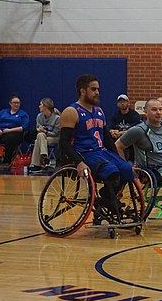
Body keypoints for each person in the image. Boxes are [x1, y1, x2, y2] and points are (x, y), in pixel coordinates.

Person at [59, 74, 137, 216]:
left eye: (98, 89)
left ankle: (107, 197)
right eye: (93, 89)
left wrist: (118, 157)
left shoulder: (99, 111)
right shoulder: (71, 112)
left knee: (126, 168)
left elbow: (107, 139)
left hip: (101, 152)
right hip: (85, 153)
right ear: (83, 91)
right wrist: (79, 162)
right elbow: (63, 142)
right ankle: (109, 199)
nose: (97, 93)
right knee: (111, 171)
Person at [116, 99, 162, 213]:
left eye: (160, 109)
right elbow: (118, 146)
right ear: (145, 112)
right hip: (150, 170)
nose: (158, 112)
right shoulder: (138, 130)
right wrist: (125, 165)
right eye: (154, 110)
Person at [0, 93, 30, 173]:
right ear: (10, 103)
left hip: (14, 132)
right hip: (1, 131)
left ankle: (6, 160)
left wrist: (9, 130)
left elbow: (24, 127)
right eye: (14, 103)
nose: (16, 104)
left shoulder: (23, 114)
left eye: (18, 103)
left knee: (10, 139)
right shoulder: (3, 112)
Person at [28, 97, 61, 172]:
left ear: (46, 106)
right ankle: (44, 157)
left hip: (54, 138)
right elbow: (38, 128)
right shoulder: (39, 116)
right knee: (40, 136)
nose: (39, 106)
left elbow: (56, 133)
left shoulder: (57, 118)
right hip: (43, 137)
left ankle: (36, 164)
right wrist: (40, 130)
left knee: (39, 139)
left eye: (41, 104)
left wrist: (45, 132)